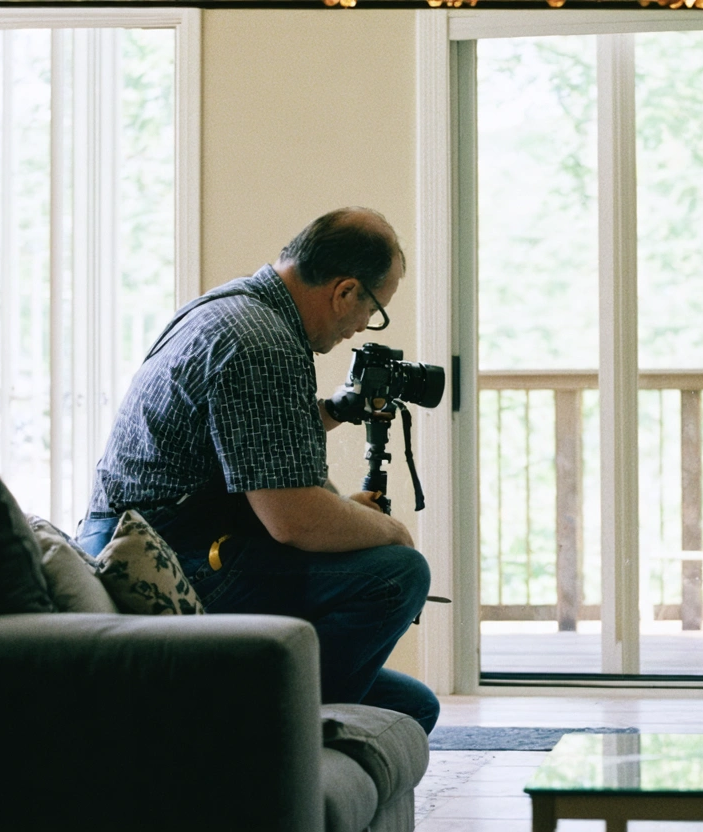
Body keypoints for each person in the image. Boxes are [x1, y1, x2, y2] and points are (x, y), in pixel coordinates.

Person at [77, 207, 439, 733]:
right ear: (345, 292)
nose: (363, 327)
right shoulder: (263, 343)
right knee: (398, 574)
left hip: (146, 537)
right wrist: (391, 530)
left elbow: (255, 439)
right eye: (374, 310)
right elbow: (294, 522)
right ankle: (272, 738)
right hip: (163, 556)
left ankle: (260, 695)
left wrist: (336, 410)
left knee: (413, 707)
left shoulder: (229, 308)